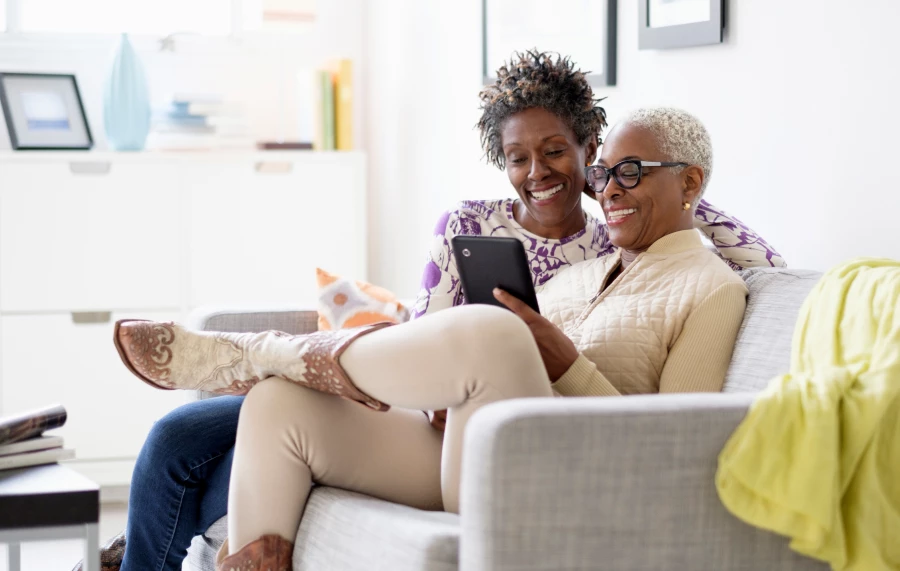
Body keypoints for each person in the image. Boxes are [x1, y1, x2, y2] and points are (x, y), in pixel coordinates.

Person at [74, 51, 780, 571]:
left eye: (617, 170)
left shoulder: (707, 284)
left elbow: (679, 443)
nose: (609, 188)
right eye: (609, 176)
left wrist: (563, 356)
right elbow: (435, 328)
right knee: (273, 408)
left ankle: (264, 350)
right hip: (442, 410)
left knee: (500, 326)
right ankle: (274, 372)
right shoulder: (585, 264)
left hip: (556, 457)